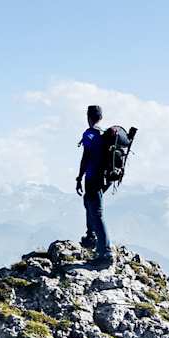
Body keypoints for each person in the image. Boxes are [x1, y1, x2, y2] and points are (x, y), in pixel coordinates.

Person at [75, 105, 113, 266]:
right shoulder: (105, 133)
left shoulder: (90, 134)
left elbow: (86, 156)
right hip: (104, 178)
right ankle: (91, 236)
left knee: (96, 213)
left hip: (93, 177)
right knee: (89, 203)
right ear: (101, 117)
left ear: (88, 116)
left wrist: (79, 177)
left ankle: (105, 252)